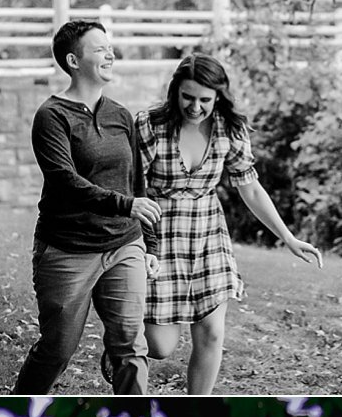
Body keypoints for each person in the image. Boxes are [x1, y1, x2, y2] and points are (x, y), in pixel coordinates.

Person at [135, 54, 321, 393]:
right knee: (160, 346)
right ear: (175, 91)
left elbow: (249, 187)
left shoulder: (229, 130)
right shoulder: (150, 125)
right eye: (187, 97)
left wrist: (288, 237)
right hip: (159, 237)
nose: (195, 107)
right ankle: (122, 349)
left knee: (212, 331)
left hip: (207, 235)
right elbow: (131, 187)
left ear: (219, 96)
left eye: (205, 100)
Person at [12, 18, 164, 396]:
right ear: (73, 61)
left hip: (123, 246)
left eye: (109, 47)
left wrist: (149, 244)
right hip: (68, 249)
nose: (110, 54)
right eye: (99, 49)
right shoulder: (52, 116)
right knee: (57, 349)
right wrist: (124, 205)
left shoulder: (120, 115)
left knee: (131, 346)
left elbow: (136, 182)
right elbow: (65, 182)